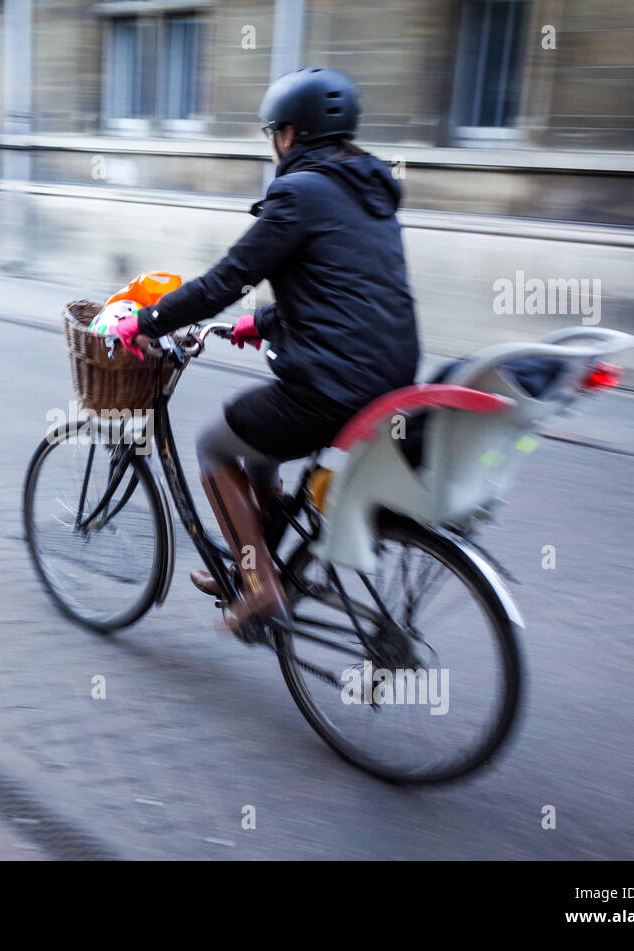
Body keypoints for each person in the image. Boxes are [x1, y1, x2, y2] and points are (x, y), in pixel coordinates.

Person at [112, 67, 420, 635]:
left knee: (212, 445)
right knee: (259, 448)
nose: (275, 145)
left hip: (332, 387)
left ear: (292, 134)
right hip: (390, 379)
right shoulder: (367, 190)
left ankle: (260, 587)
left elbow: (225, 280)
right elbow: (348, 293)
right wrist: (266, 322)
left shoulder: (300, 192)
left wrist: (147, 321)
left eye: (275, 132)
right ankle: (254, 558)